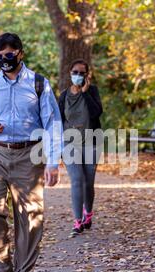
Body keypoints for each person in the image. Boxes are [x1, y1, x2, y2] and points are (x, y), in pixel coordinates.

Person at [0, 33, 62, 272]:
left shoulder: (39, 84)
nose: (4, 60)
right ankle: (0, 265)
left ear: (20, 53)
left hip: (29, 155)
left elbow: (53, 125)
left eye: (9, 55)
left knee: (30, 217)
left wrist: (53, 162)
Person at [58, 59, 103, 236]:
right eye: (75, 72)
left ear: (87, 75)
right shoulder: (64, 96)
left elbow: (96, 113)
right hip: (70, 144)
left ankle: (88, 213)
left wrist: (84, 93)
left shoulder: (92, 92)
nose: (78, 75)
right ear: (70, 73)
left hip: (91, 142)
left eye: (81, 73)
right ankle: (77, 221)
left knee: (88, 182)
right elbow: (59, 120)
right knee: (77, 180)